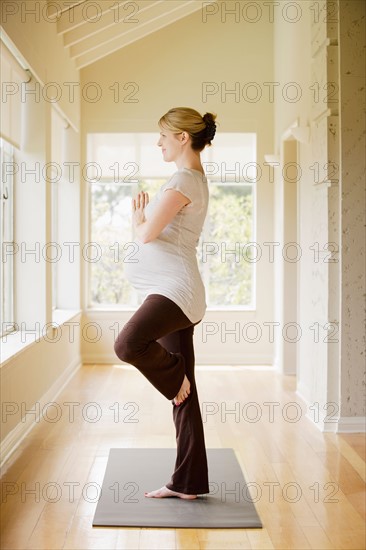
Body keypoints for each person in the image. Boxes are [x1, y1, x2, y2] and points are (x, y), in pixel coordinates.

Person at [114, 107, 217, 499]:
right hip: (174, 289)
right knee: (185, 396)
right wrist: (142, 222)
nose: (158, 143)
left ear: (182, 138)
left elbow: (147, 234)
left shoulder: (183, 180)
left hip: (176, 291)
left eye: (162, 136)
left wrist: (138, 218)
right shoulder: (190, 179)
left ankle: (175, 376)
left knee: (127, 344)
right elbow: (153, 234)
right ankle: (188, 483)